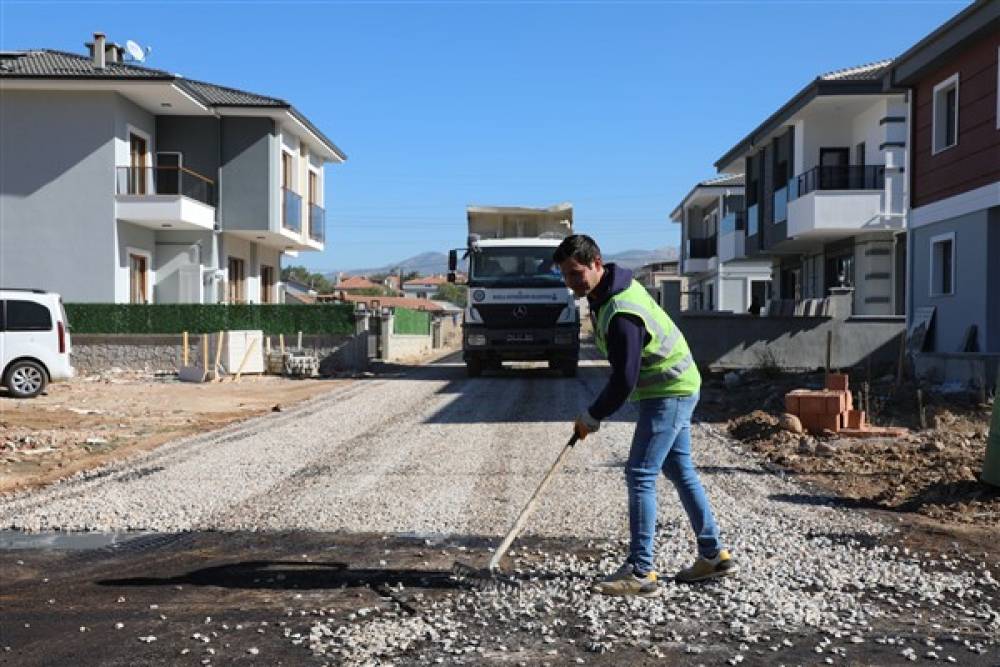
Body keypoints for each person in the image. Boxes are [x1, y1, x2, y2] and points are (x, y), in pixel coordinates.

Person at [553, 234, 736, 597]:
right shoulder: (606, 294)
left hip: (669, 390)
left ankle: (640, 571)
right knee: (679, 469)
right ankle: (713, 555)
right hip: (675, 386)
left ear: (596, 263)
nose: (570, 282)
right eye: (565, 275)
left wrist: (592, 415)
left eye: (575, 273)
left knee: (640, 472)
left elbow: (624, 379)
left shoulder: (621, 310)